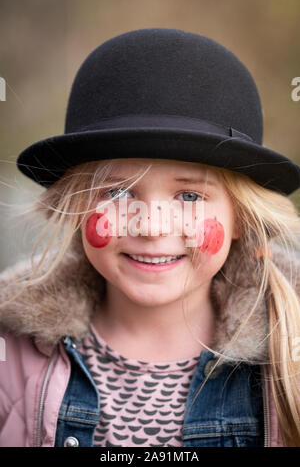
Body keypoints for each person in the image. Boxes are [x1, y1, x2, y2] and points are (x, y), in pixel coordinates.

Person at [1, 28, 300, 448]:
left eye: (191, 195)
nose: (152, 226)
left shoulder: (289, 357)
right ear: (75, 206)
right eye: (118, 193)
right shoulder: (11, 355)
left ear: (240, 219)